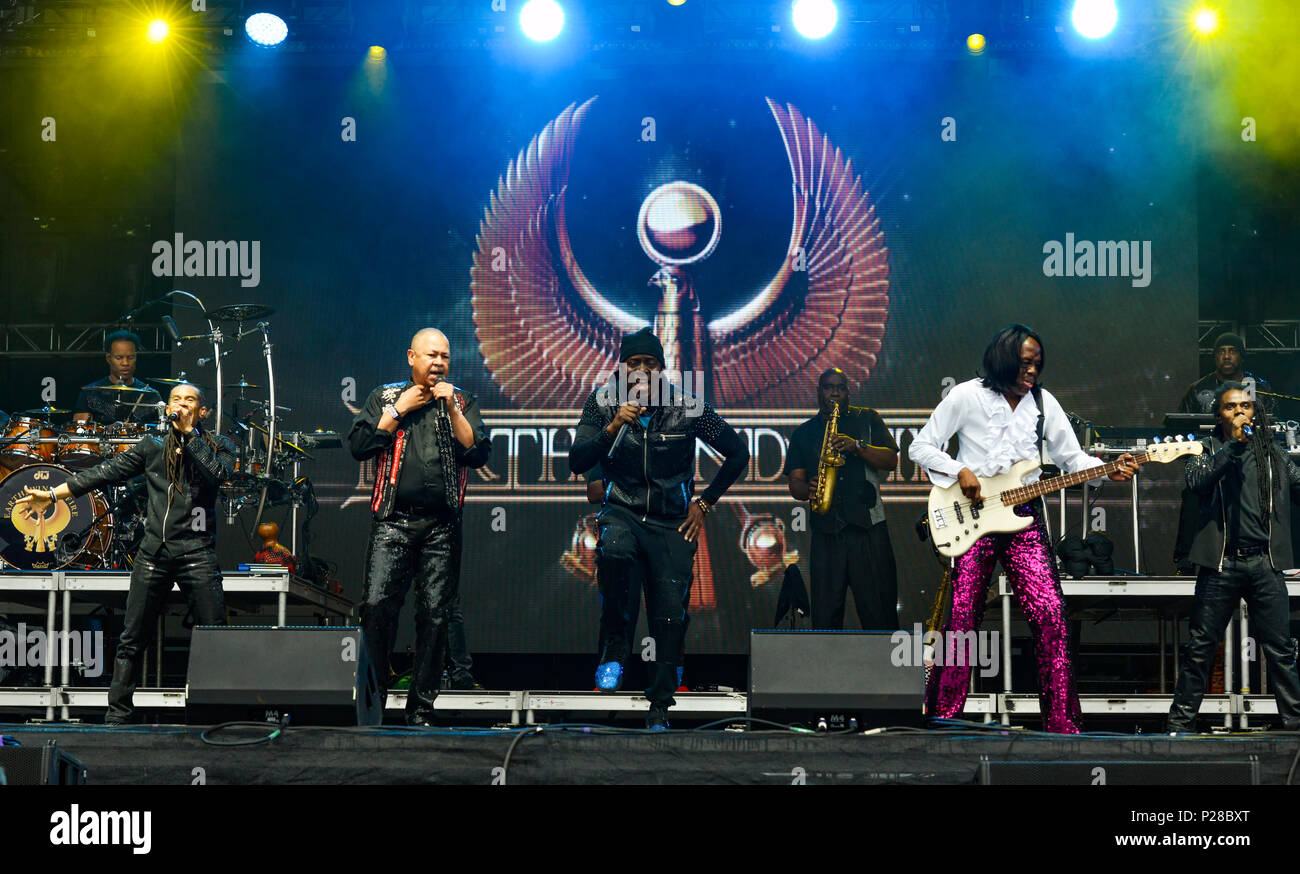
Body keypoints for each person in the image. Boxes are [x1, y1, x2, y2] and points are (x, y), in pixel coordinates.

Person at [908, 324, 1138, 734]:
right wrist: (959, 469)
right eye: (1024, 363)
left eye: (1037, 364)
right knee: (962, 615)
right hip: (973, 512)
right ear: (1003, 359)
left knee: (1050, 612)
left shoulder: (1043, 404)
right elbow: (921, 446)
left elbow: (1072, 459)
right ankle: (943, 715)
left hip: (1024, 515)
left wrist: (1110, 469)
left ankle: (1062, 723)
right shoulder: (966, 395)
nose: (1032, 371)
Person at [14, 383, 235, 725]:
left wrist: (189, 435)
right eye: (176, 399)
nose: (181, 404)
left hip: (196, 553)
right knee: (132, 638)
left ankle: (218, 715)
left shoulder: (219, 445)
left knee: (216, 636)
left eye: (189, 400)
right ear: (167, 408)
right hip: (153, 553)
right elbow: (102, 473)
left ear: (201, 411)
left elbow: (217, 475)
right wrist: (53, 495)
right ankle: (117, 717)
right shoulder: (152, 446)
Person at [568, 327, 748, 729]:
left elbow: (739, 453)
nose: (643, 370)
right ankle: (614, 654)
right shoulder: (601, 403)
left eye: (651, 363)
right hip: (623, 511)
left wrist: (705, 503)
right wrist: (613, 426)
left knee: (669, 614)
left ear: (662, 368)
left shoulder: (688, 407)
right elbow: (577, 460)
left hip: (671, 522)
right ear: (622, 368)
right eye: (634, 364)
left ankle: (661, 704)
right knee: (614, 554)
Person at [347, 328, 491, 726]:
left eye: (445, 356)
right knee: (376, 608)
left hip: (442, 527)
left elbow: (478, 452)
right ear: (412, 357)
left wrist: (455, 412)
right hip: (392, 522)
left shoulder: (460, 399)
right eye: (431, 355)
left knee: (435, 616)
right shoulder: (386, 395)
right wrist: (398, 410)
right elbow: (360, 446)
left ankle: (420, 709)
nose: (439, 363)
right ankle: (372, 706)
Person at [1166, 382, 1300, 732]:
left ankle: (1294, 723)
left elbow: (1297, 483)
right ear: (1219, 416)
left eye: (1245, 406)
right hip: (1221, 564)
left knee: (1280, 650)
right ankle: (1180, 724)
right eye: (1230, 407)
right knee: (1200, 647)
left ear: (1254, 412)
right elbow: (1197, 481)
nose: (1240, 412)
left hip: (1264, 563)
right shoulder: (1206, 448)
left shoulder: (1272, 452)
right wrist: (1233, 446)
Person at [785, 368, 899, 630]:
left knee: (879, 613)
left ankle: (885, 669)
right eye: (828, 387)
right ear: (819, 392)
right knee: (825, 617)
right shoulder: (805, 432)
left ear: (849, 391)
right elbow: (795, 483)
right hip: (826, 532)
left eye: (840, 387)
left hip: (868, 529)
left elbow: (891, 460)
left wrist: (857, 447)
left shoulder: (867, 419)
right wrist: (807, 489)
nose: (834, 392)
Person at [1174, 332, 1275, 571]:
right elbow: (1180, 429)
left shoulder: (1260, 388)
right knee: (1194, 493)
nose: (1227, 356)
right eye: (1221, 351)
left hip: (1253, 461)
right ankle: (1187, 560)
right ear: (1214, 357)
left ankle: (1272, 557)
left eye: (1232, 350)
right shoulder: (1198, 390)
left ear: (1241, 356)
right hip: (1211, 459)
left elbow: (1272, 424)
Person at [73, 330, 161, 424]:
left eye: (130, 358)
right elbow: (80, 431)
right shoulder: (90, 393)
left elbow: (159, 434)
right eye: (119, 358)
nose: (125, 363)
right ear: (108, 358)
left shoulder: (151, 396)